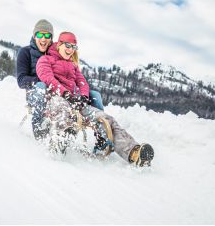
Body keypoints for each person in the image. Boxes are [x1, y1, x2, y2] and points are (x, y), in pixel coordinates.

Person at [36, 31, 154, 166]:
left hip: (76, 103)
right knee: (63, 112)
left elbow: (82, 83)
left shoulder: (73, 66)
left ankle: (133, 152)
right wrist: (65, 94)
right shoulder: (45, 60)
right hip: (56, 99)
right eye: (67, 45)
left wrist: (83, 97)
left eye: (73, 47)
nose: (70, 50)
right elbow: (48, 78)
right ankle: (58, 146)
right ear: (59, 44)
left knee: (106, 119)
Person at [16, 19, 104, 140]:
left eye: (47, 35)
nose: (43, 39)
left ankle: (102, 135)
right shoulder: (25, 52)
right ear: (34, 36)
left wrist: (80, 93)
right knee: (41, 86)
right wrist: (45, 80)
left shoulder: (55, 51)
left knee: (95, 95)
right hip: (37, 93)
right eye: (40, 34)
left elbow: (73, 73)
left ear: (51, 38)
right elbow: (21, 80)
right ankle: (38, 127)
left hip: (60, 91)